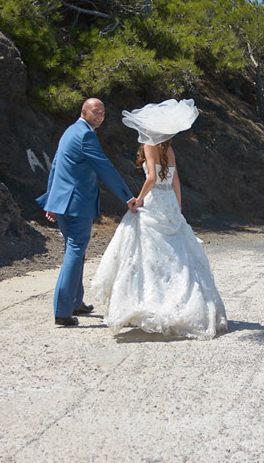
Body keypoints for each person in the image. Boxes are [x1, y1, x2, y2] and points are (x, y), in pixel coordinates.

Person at [90, 99, 228, 339]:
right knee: (176, 257)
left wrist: (139, 199)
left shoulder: (149, 145)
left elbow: (152, 177)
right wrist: (178, 208)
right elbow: (175, 182)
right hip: (169, 204)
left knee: (147, 256)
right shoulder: (168, 148)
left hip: (154, 201)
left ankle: (151, 303)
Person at [37, 98, 137, 327]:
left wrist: (51, 202)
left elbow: (55, 165)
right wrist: (127, 196)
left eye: (102, 112)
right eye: (95, 111)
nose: (100, 115)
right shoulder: (85, 135)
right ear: (84, 111)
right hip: (76, 204)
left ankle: (75, 301)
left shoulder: (70, 131)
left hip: (62, 203)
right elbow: (104, 167)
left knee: (76, 251)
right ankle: (62, 311)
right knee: (74, 251)